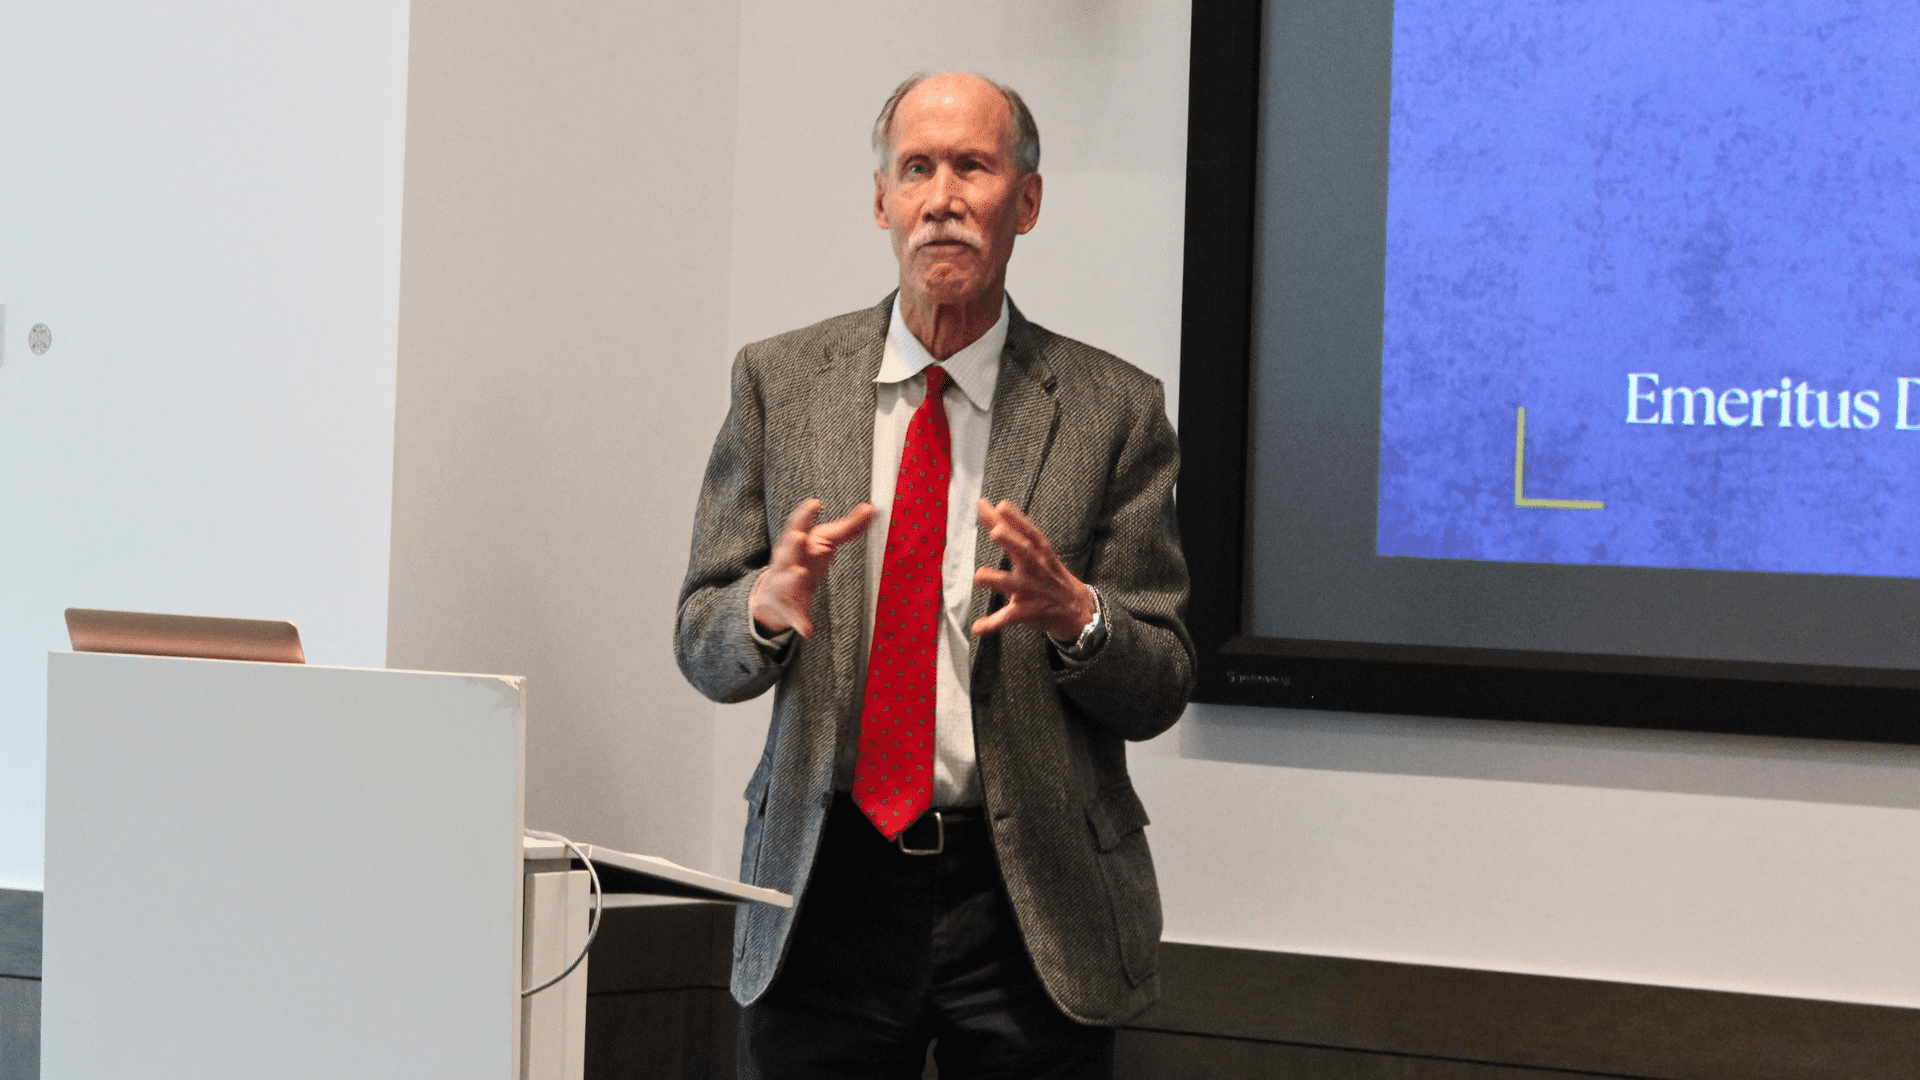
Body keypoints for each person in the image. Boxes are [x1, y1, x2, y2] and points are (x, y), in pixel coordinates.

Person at [675, 71, 1194, 1079]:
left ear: (1026, 203)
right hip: (825, 893)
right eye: (917, 169)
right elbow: (702, 636)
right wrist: (764, 614)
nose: (943, 196)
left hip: (1028, 905)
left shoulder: (1113, 409)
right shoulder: (778, 384)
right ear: (882, 202)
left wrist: (1081, 618)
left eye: (974, 166)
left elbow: (1164, 677)